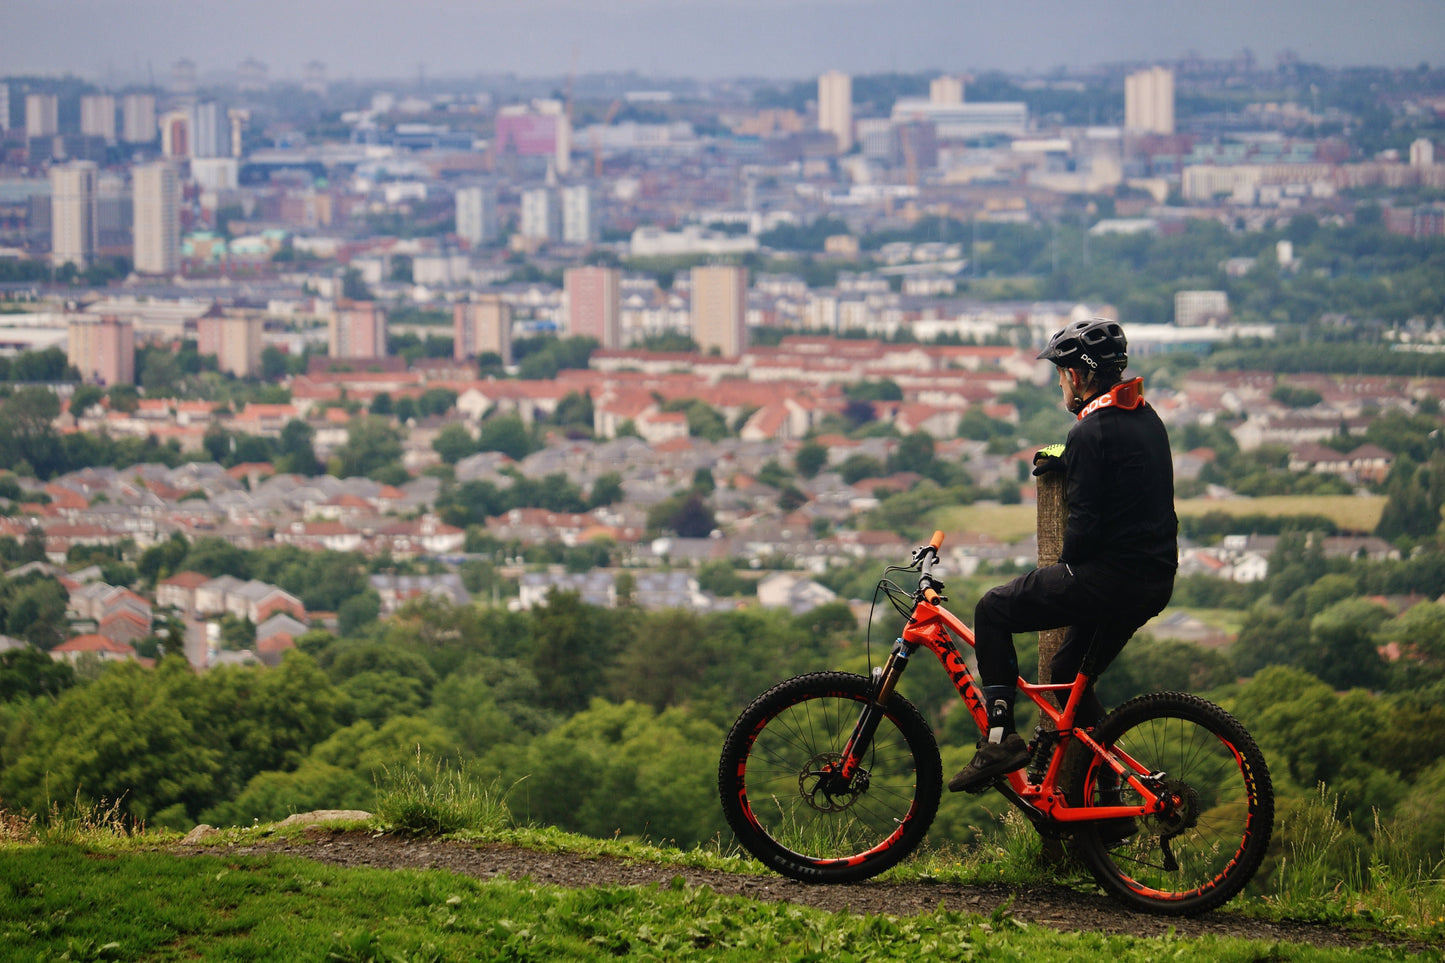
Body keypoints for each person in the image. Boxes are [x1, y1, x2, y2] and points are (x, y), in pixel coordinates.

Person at [949, 318, 1178, 794]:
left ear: (1078, 376)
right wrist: (1071, 460)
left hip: (1107, 579)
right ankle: (1110, 795)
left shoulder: (1089, 433)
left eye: (1061, 375)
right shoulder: (1147, 418)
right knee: (1064, 675)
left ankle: (999, 738)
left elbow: (1083, 533)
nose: (1060, 384)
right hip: (1153, 579)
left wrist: (1067, 564)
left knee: (992, 609)